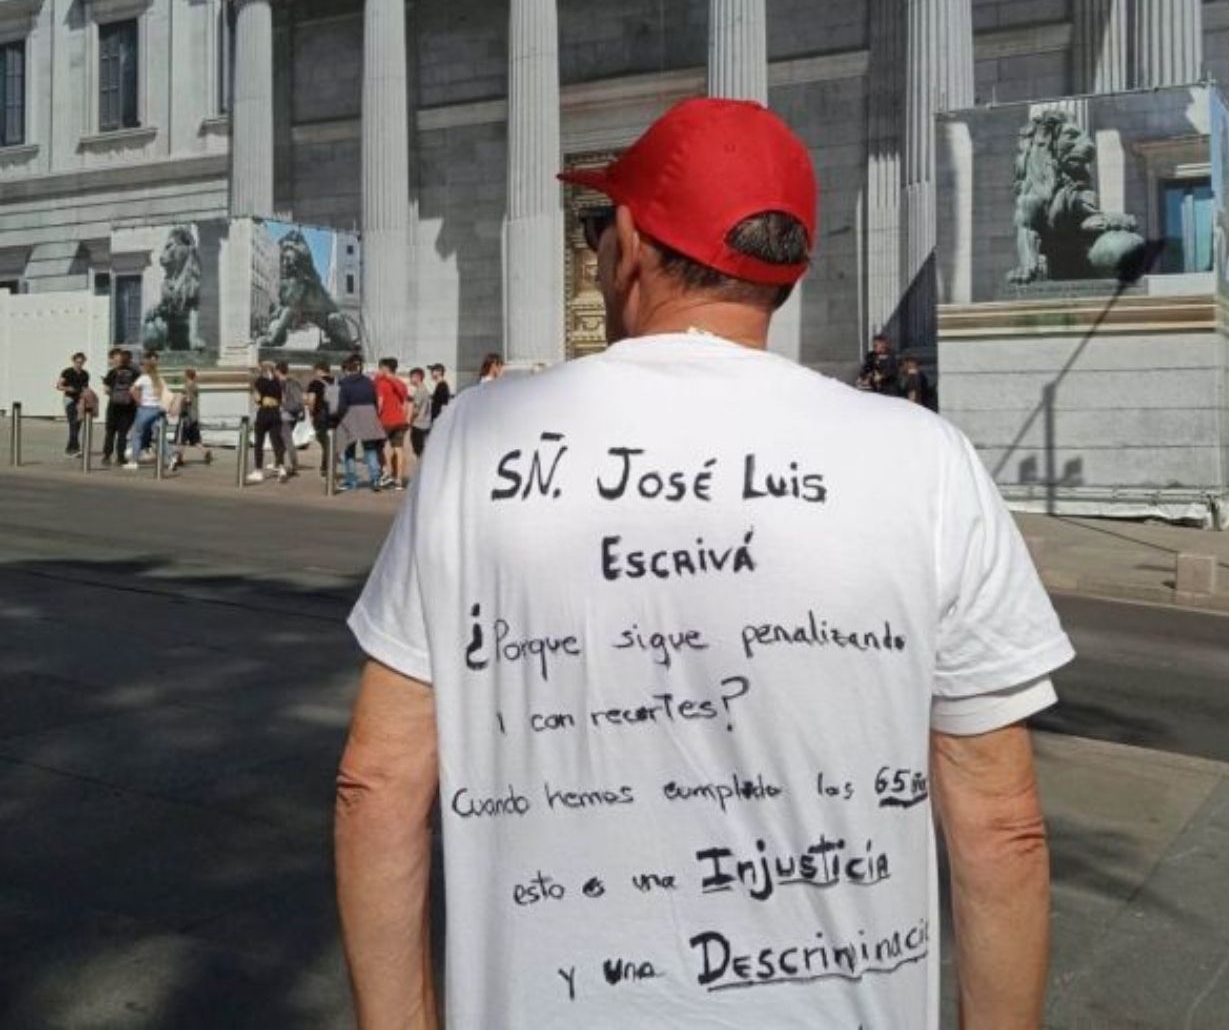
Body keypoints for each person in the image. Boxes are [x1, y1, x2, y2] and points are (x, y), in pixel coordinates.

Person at [335, 97, 1075, 1030]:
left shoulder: (482, 441)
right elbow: (1001, 827)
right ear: (786, 273)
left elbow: (377, 785)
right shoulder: (925, 459)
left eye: (603, 228)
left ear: (632, 244)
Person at [333, 353, 386, 492]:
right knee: (370, 450)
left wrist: (340, 419)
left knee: (349, 451)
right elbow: (375, 401)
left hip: (351, 415)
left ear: (347, 369)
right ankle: (375, 479)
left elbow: (341, 406)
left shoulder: (344, 383)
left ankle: (352, 482)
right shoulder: (369, 382)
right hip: (369, 414)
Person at [125, 352, 173, 471]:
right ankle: (172, 458)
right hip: (157, 410)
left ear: (146, 367)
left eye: (142, 365)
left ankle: (133, 461)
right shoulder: (159, 378)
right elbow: (165, 393)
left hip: (145, 409)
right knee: (160, 435)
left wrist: (139, 401)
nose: (141, 367)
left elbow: (132, 390)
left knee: (137, 434)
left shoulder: (144, 378)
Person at [248, 360, 288, 484]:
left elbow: (257, 399)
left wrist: (254, 390)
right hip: (276, 413)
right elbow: (283, 399)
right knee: (276, 441)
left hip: (264, 412)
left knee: (259, 442)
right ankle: (281, 468)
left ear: (263, 370)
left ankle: (258, 471)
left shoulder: (260, 381)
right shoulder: (278, 382)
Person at [374, 357, 410, 489]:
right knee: (398, 449)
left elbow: (380, 402)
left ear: (385, 368)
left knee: (377, 447)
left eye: (380, 367)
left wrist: (375, 417)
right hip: (400, 420)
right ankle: (399, 480)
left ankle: (384, 472)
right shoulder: (402, 383)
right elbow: (405, 403)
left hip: (385, 420)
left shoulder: (382, 383)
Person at [101, 348, 139, 466]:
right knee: (123, 433)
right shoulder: (135, 373)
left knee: (110, 432)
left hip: (114, 406)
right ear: (130, 360)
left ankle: (107, 456)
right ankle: (120, 458)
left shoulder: (113, 372)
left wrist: (114, 393)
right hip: (129, 407)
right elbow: (137, 390)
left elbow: (106, 390)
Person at [170, 367, 212, 471]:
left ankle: (178, 458)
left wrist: (179, 400)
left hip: (186, 416)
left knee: (181, 439)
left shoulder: (187, 386)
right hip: (194, 416)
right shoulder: (195, 386)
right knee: (195, 439)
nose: (182, 376)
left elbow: (187, 399)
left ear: (187, 376)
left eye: (183, 374)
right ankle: (205, 451)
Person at [275, 360, 305, 478]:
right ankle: (279, 463)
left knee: (287, 441)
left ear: (278, 371)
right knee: (283, 440)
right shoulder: (294, 383)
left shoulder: (285, 384)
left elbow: (296, 402)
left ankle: (294, 465)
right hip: (291, 416)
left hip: (285, 416)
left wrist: (283, 405)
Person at [56, 352, 90, 456]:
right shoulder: (67, 372)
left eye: (81, 362)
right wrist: (67, 388)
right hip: (69, 399)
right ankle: (75, 448)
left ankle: (70, 448)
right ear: (73, 361)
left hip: (80, 400)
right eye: (77, 362)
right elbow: (58, 386)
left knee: (77, 425)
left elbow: (85, 388)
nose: (79, 364)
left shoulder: (85, 374)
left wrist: (86, 399)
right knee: (73, 423)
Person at [306, 361, 335, 477]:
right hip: (335, 416)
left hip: (321, 416)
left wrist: (311, 413)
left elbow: (311, 400)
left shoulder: (315, 383)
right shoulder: (336, 382)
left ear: (319, 370)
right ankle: (328, 466)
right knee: (330, 442)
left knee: (325, 442)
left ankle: (326, 467)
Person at [407, 367, 432, 459]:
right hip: (426, 423)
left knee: (418, 450)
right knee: (422, 449)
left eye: (411, 377)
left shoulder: (419, 391)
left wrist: (409, 420)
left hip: (418, 424)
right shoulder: (424, 389)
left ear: (417, 377)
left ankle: (421, 469)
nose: (410, 379)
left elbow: (416, 409)